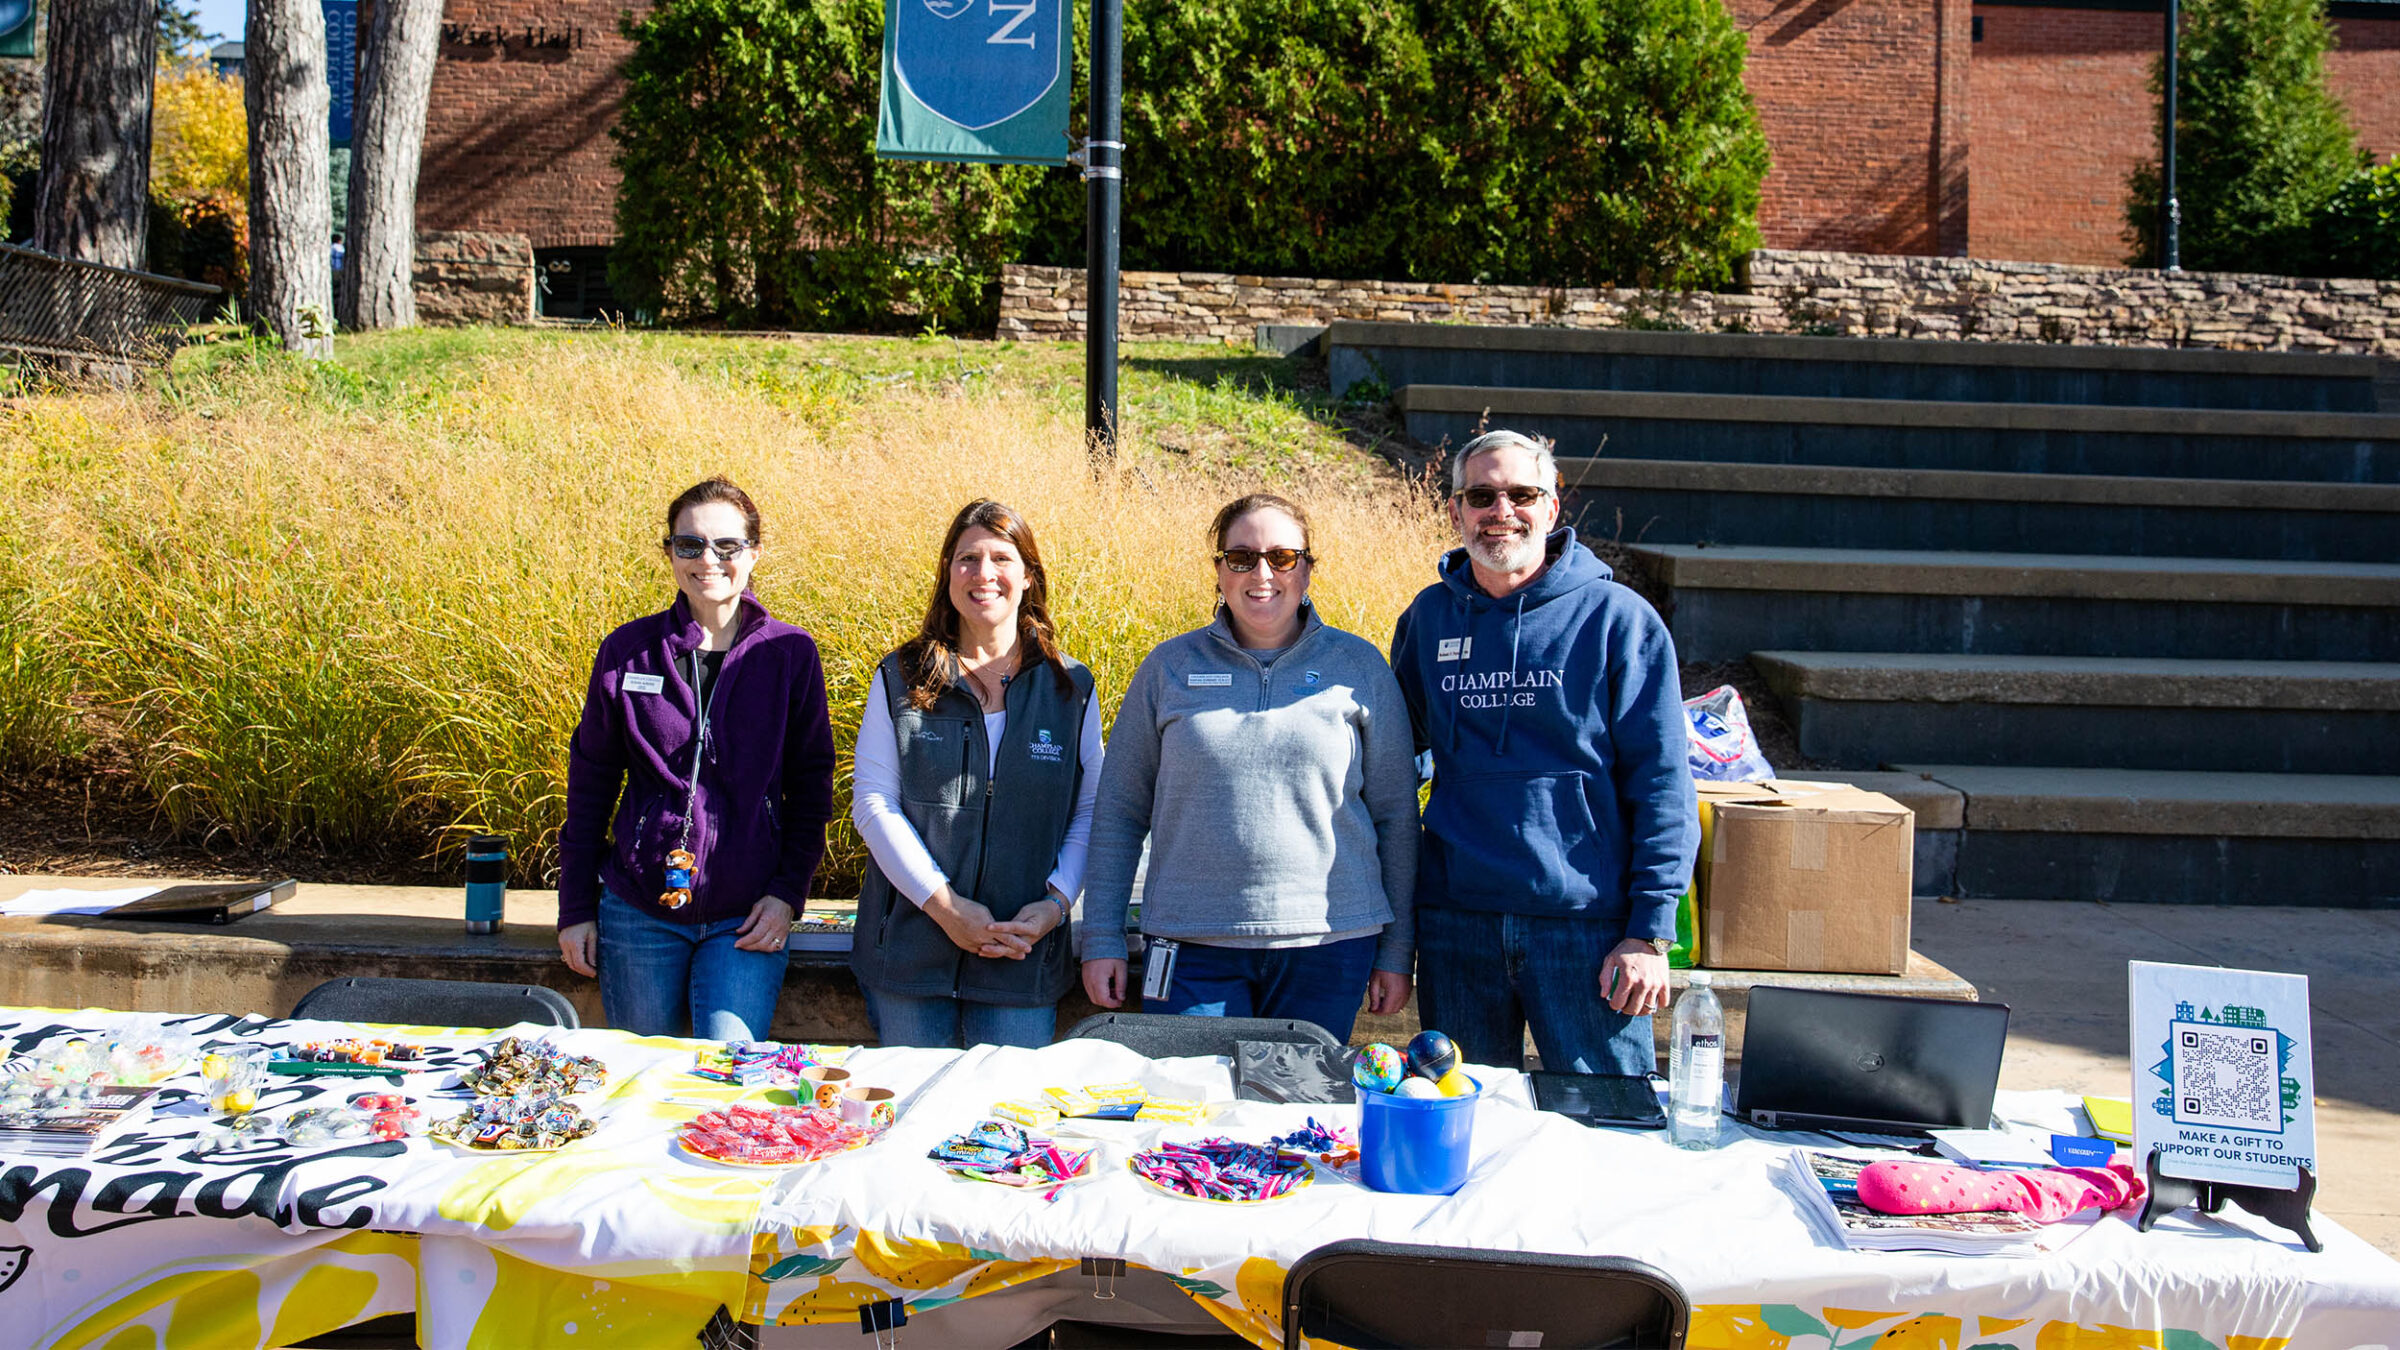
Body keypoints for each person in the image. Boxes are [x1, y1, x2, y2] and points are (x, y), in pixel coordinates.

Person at [1389, 429, 1698, 1075]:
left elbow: (1664, 781)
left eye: (1522, 494)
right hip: (1457, 922)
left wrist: (1648, 932)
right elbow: (1394, 766)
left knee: (1604, 1131)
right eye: (1481, 495)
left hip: (1586, 926)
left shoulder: (1619, 619)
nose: (1501, 511)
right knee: (1460, 1123)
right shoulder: (1428, 619)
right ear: (1455, 511)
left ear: (1553, 507)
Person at [1081, 493, 1418, 1042]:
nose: (1262, 573)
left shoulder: (1359, 668)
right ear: (1219, 572)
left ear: (1307, 569)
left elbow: (1396, 817)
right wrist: (1101, 937)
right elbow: (1119, 810)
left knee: (1301, 1117)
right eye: (1241, 558)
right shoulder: (1169, 668)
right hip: (1189, 947)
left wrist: (1397, 950)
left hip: (1328, 946)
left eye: (1283, 557)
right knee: (1192, 1114)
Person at [555, 477, 836, 1040]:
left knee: (727, 1071)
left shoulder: (788, 654)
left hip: (747, 913)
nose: (708, 560)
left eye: (727, 546)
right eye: (690, 545)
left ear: (754, 553)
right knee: (640, 1073)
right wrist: (576, 906)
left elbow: (811, 787)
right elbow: (590, 784)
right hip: (638, 910)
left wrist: (787, 896)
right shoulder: (627, 651)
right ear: (670, 552)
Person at [849, 500, 1102, 1048]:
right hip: (910, 958)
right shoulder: (900, 676)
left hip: (1020, 954)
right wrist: (945, 908)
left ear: (1028, 575)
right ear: (947, 572)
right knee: (911, 1118)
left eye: (1001, 558)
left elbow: (1090, 811)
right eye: (967, 558)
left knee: (1007, 1122)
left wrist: (1056, 906)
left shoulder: (1071, 689)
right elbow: (873, 803)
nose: (983, 574)